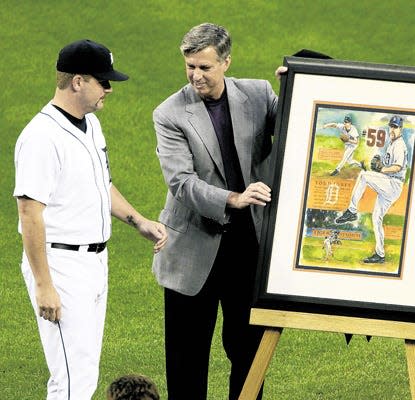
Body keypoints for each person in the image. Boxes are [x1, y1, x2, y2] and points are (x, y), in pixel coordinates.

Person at [13, 39, 168, 400]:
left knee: (82, 373)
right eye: (104, 81)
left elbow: (101, 185)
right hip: (61, 265)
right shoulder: (41, 137)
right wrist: (44, 284)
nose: (110, 89)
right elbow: (29, 212)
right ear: (78, 81)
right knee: (73, 382)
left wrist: (138, 220)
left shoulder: (90, 125)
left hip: (94, 263)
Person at [151, 23, 277, 400]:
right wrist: (233, 198)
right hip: (193, 247)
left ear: (226, 62)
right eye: (190, 66)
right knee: (187, 361)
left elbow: (303, 121)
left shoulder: (257, 94)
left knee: (249, 353)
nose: (195, 76)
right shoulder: (170, 113)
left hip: (247, 247)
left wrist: (298, 82)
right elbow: (181, 182)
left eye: (204, 67)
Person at [334, 115, 408, 264]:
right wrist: (381, 165)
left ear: (401, 129)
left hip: (393, 184)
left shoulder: (399, 145)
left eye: (396, 127)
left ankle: (352, 211)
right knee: (376, 218)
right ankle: (380, 255)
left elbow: (397, 167)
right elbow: (388, 166)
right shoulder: (392, 143)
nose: (392, 129)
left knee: (363, 176)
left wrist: (382, 168)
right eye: (391, 126)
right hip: (390, 185)